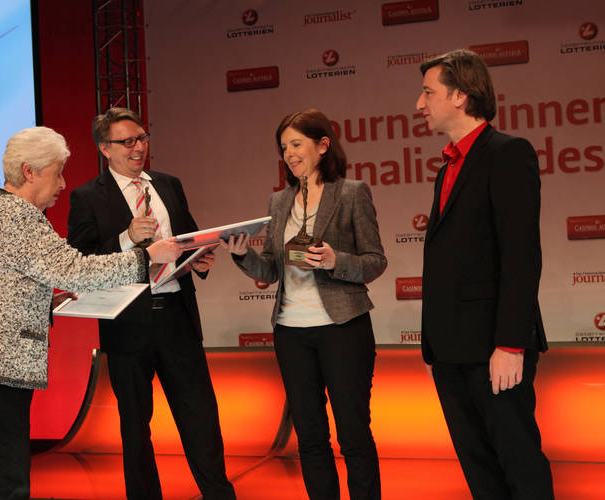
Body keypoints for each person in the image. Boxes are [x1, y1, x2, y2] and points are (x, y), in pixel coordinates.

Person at [0, 126, 182, 500]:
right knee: (7, 481)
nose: (63, 183)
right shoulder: (16, 216)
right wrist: (145, 257)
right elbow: (74, 269)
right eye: (58, 172)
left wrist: (43, 300)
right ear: (29, 171)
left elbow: (0, 284)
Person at [67, 108, 236, 500]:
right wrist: (127, 238)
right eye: (127, 141)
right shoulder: (87, 197)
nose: (138, 147)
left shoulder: (168, 184)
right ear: (105, 149)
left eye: (142, 138)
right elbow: (81, 263)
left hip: (177, 317)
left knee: (201, 418)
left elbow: (188, 237)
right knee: (136, 428)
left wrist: (199, 258)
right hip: (128, 324)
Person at [221, 109, 387, 500]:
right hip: (291, 333)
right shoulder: (279, 201)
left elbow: (375, 260)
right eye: (283, 148)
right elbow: (271, 269)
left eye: (296, 144)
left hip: (343, 328)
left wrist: (334, 260)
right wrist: (242, 254)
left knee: (353, 435)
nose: (289, 154)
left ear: (323, 145)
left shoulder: (352, 192)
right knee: (310, 437)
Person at [416, 49, 554, 500]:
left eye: (428, 92)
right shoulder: (447, 169)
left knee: (520, 466)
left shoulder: (508, 153)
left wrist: (510, 344)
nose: (420, 103)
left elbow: (521, 256)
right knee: (480, 473)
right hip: (451, 350)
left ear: (460, 95)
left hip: (494, 348)